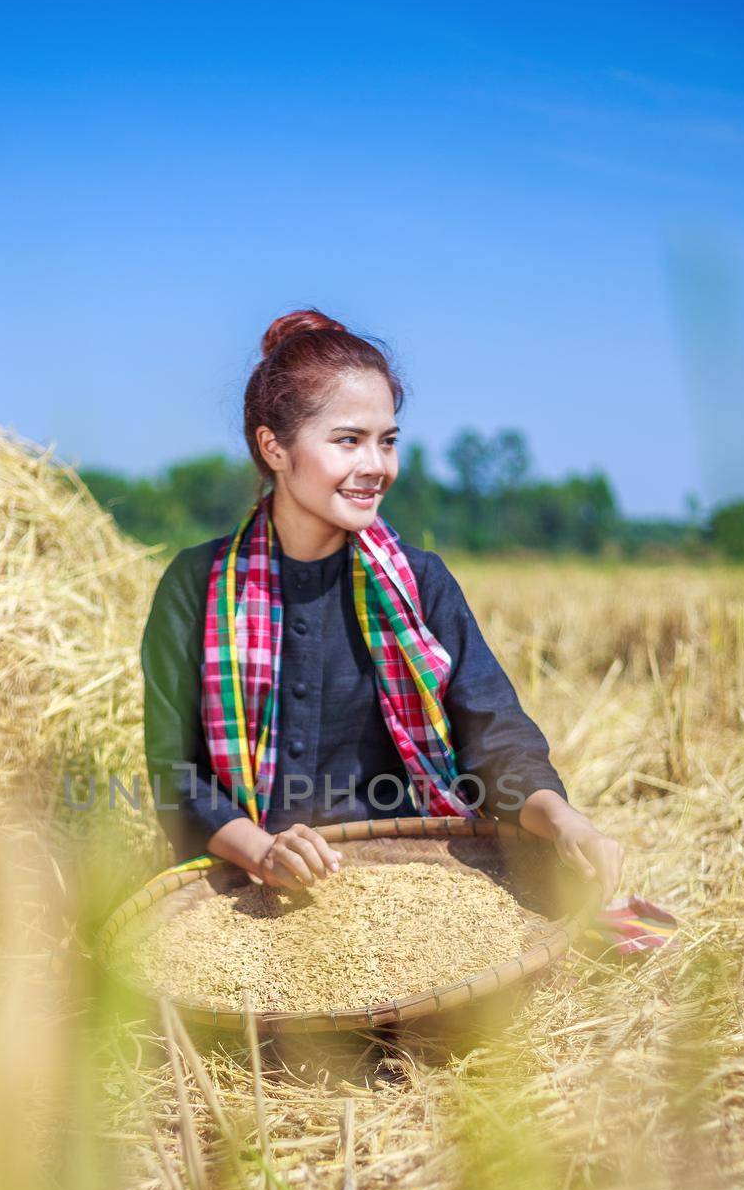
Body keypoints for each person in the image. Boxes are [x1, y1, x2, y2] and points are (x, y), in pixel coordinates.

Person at [141, 309, 624, 903]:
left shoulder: (421, 582)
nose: (376, 466)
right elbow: (177, 776)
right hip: (244, 877)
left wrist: (562, 819)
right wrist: (263, 851)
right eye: (348, 440)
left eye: (387, 441)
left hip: (404, 876)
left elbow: (494, 736)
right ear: (275, 448)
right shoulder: (196, 586)